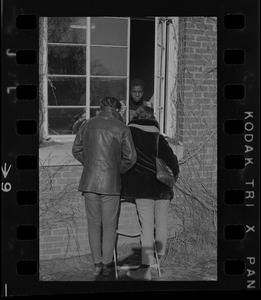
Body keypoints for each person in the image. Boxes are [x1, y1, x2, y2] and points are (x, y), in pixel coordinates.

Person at [72, 97, 137, 277]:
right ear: (117, 109)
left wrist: (90, 165)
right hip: (111, 184)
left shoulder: (87, 124)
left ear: (101, 108)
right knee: (109, 226)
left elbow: (76, 150)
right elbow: (131, 158)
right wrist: (116, 170)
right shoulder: (122, 127)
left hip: (89, 182)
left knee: (93, 224)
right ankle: (108, 265)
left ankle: (96, 265)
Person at [121, 106, 179, 280]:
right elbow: (172, 161)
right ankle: (159, 262)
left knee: (146, 225)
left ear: (136, 117)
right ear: (152, 118)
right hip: (161, 187)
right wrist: (173, 177)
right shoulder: (158, 137)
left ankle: (147, 264)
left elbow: (124, 158)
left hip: (141, 188)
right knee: (161, 223)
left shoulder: (129, 134)